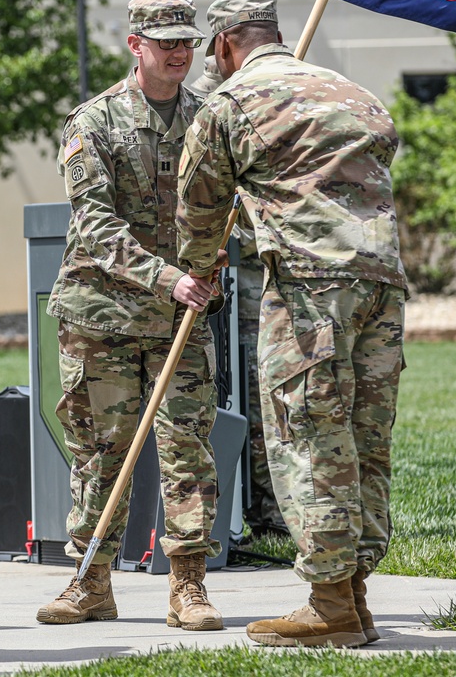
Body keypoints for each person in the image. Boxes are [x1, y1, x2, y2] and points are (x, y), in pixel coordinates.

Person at [176, 0, 407, 648]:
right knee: (363, 433)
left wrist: (198, 269)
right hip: (381, 283)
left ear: (224, 45)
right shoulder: (349, 90)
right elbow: (382, 148)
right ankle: (355, 596)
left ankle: (329, 605)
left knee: (307, 432)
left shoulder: (230, 102)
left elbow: (198, 205)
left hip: (309, 288)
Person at [36, 0, 224, 632]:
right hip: (103, 317)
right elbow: (92, 220)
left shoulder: (211, 120)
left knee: (187, 448)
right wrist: (166, 275)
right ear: (135, 45)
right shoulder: (93, 123)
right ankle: (90, 581)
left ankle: (189, 586)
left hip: (182, 321)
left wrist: (227, 245)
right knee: (99, 453)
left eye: (186, 41)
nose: (177, 52)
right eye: (164, 40)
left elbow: (236, 207)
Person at [194, 35, 288, 538]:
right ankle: (239, 510)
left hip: (265, 271)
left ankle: (274, 514)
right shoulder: (212, 102)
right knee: (235, 394)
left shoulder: (287, 92)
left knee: (269, 392)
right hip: (221, 275)